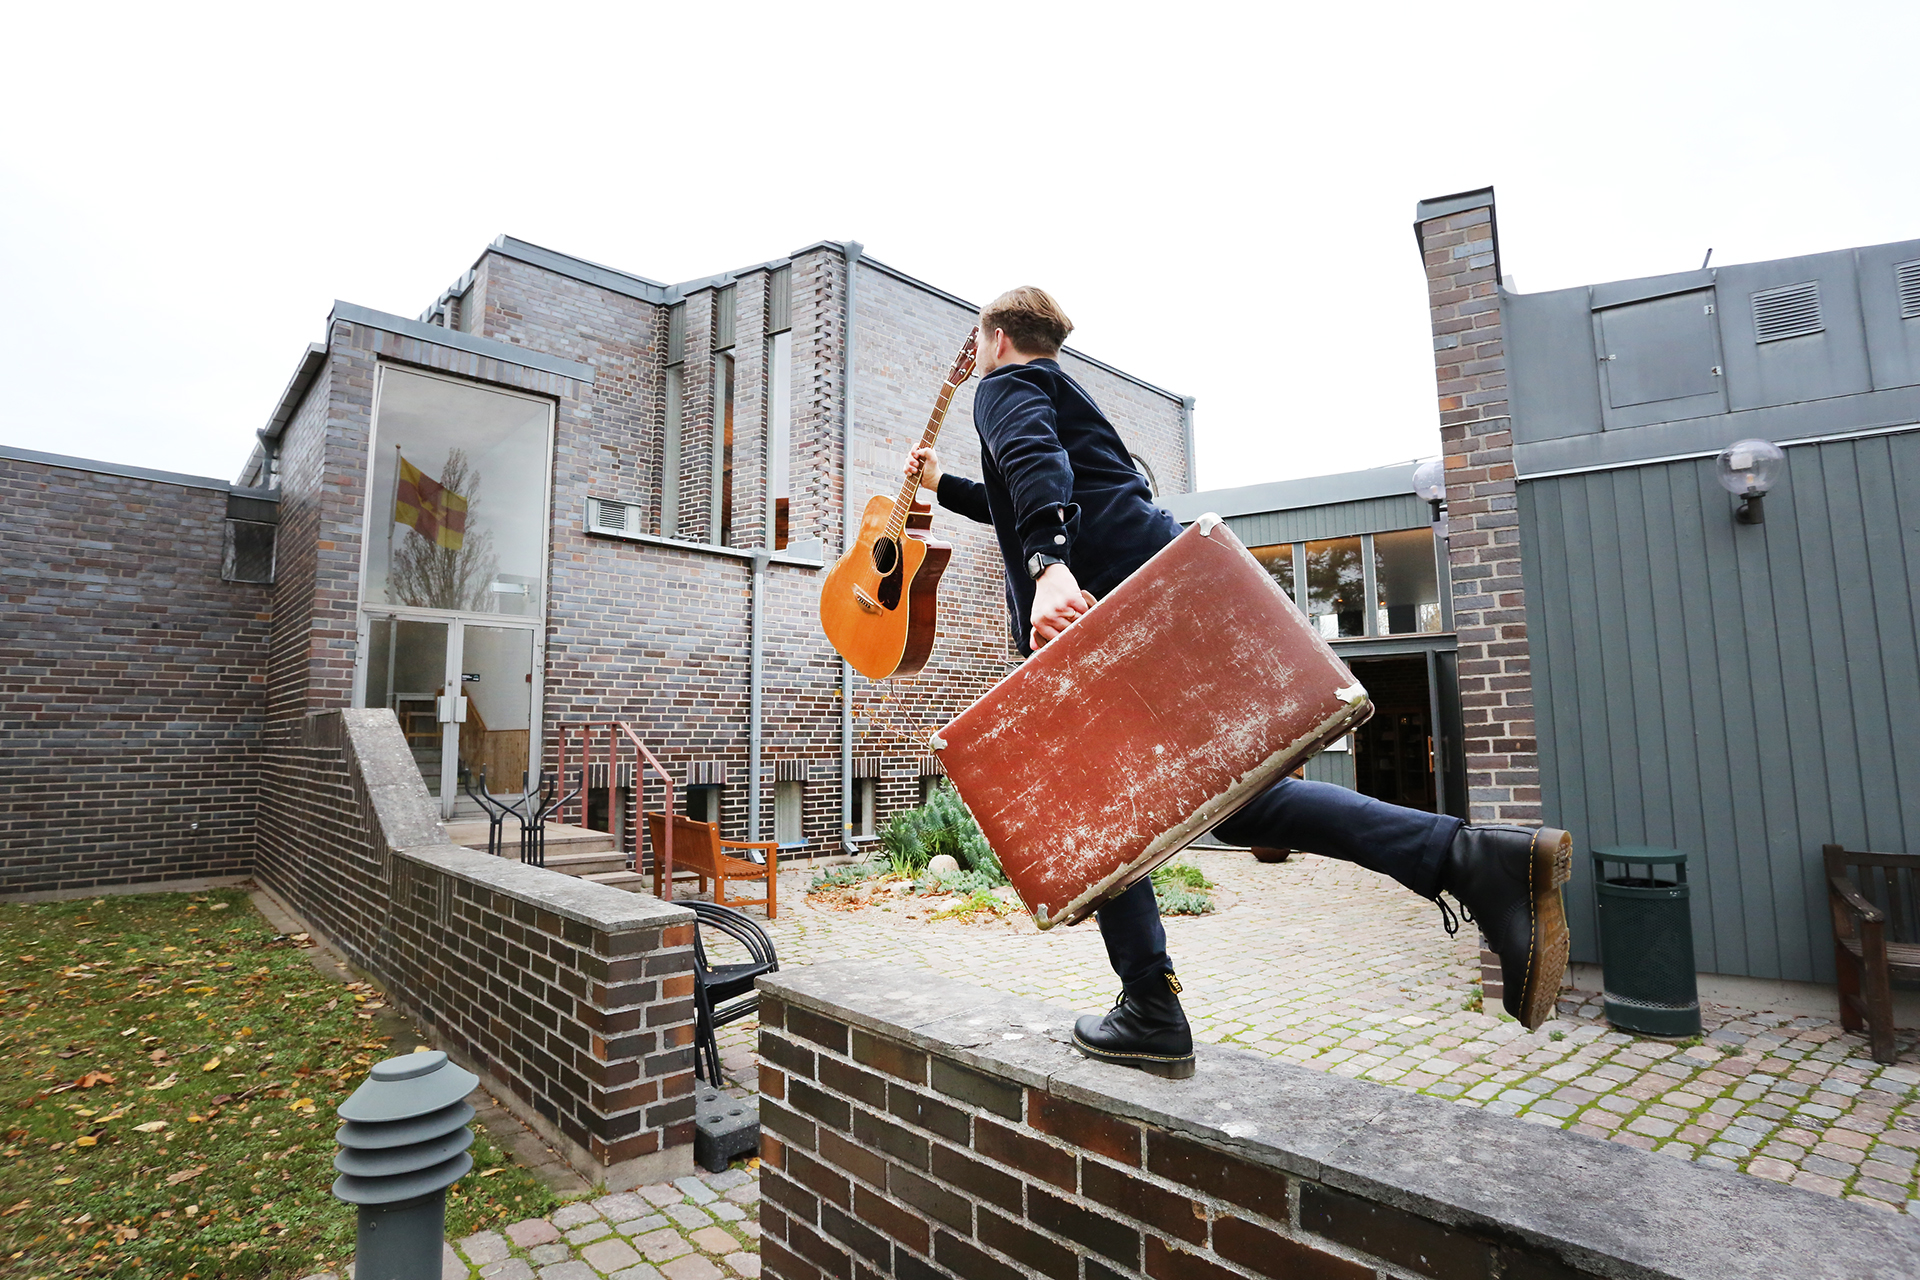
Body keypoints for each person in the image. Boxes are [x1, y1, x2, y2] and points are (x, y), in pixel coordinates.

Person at [905, 286, 1571, 1080]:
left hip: (1113, 610)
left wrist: (1049, 569)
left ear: (997, 334)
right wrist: (943, 490)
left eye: (978, 340)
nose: (975, 354)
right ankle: (1467, 860)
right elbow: (1034, 490)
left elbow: (1033, 467)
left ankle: (1153, 998)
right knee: (1224, 804)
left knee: (1100, 810)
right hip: (1152, 587)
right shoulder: (1054, 389)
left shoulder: (1004, 385)